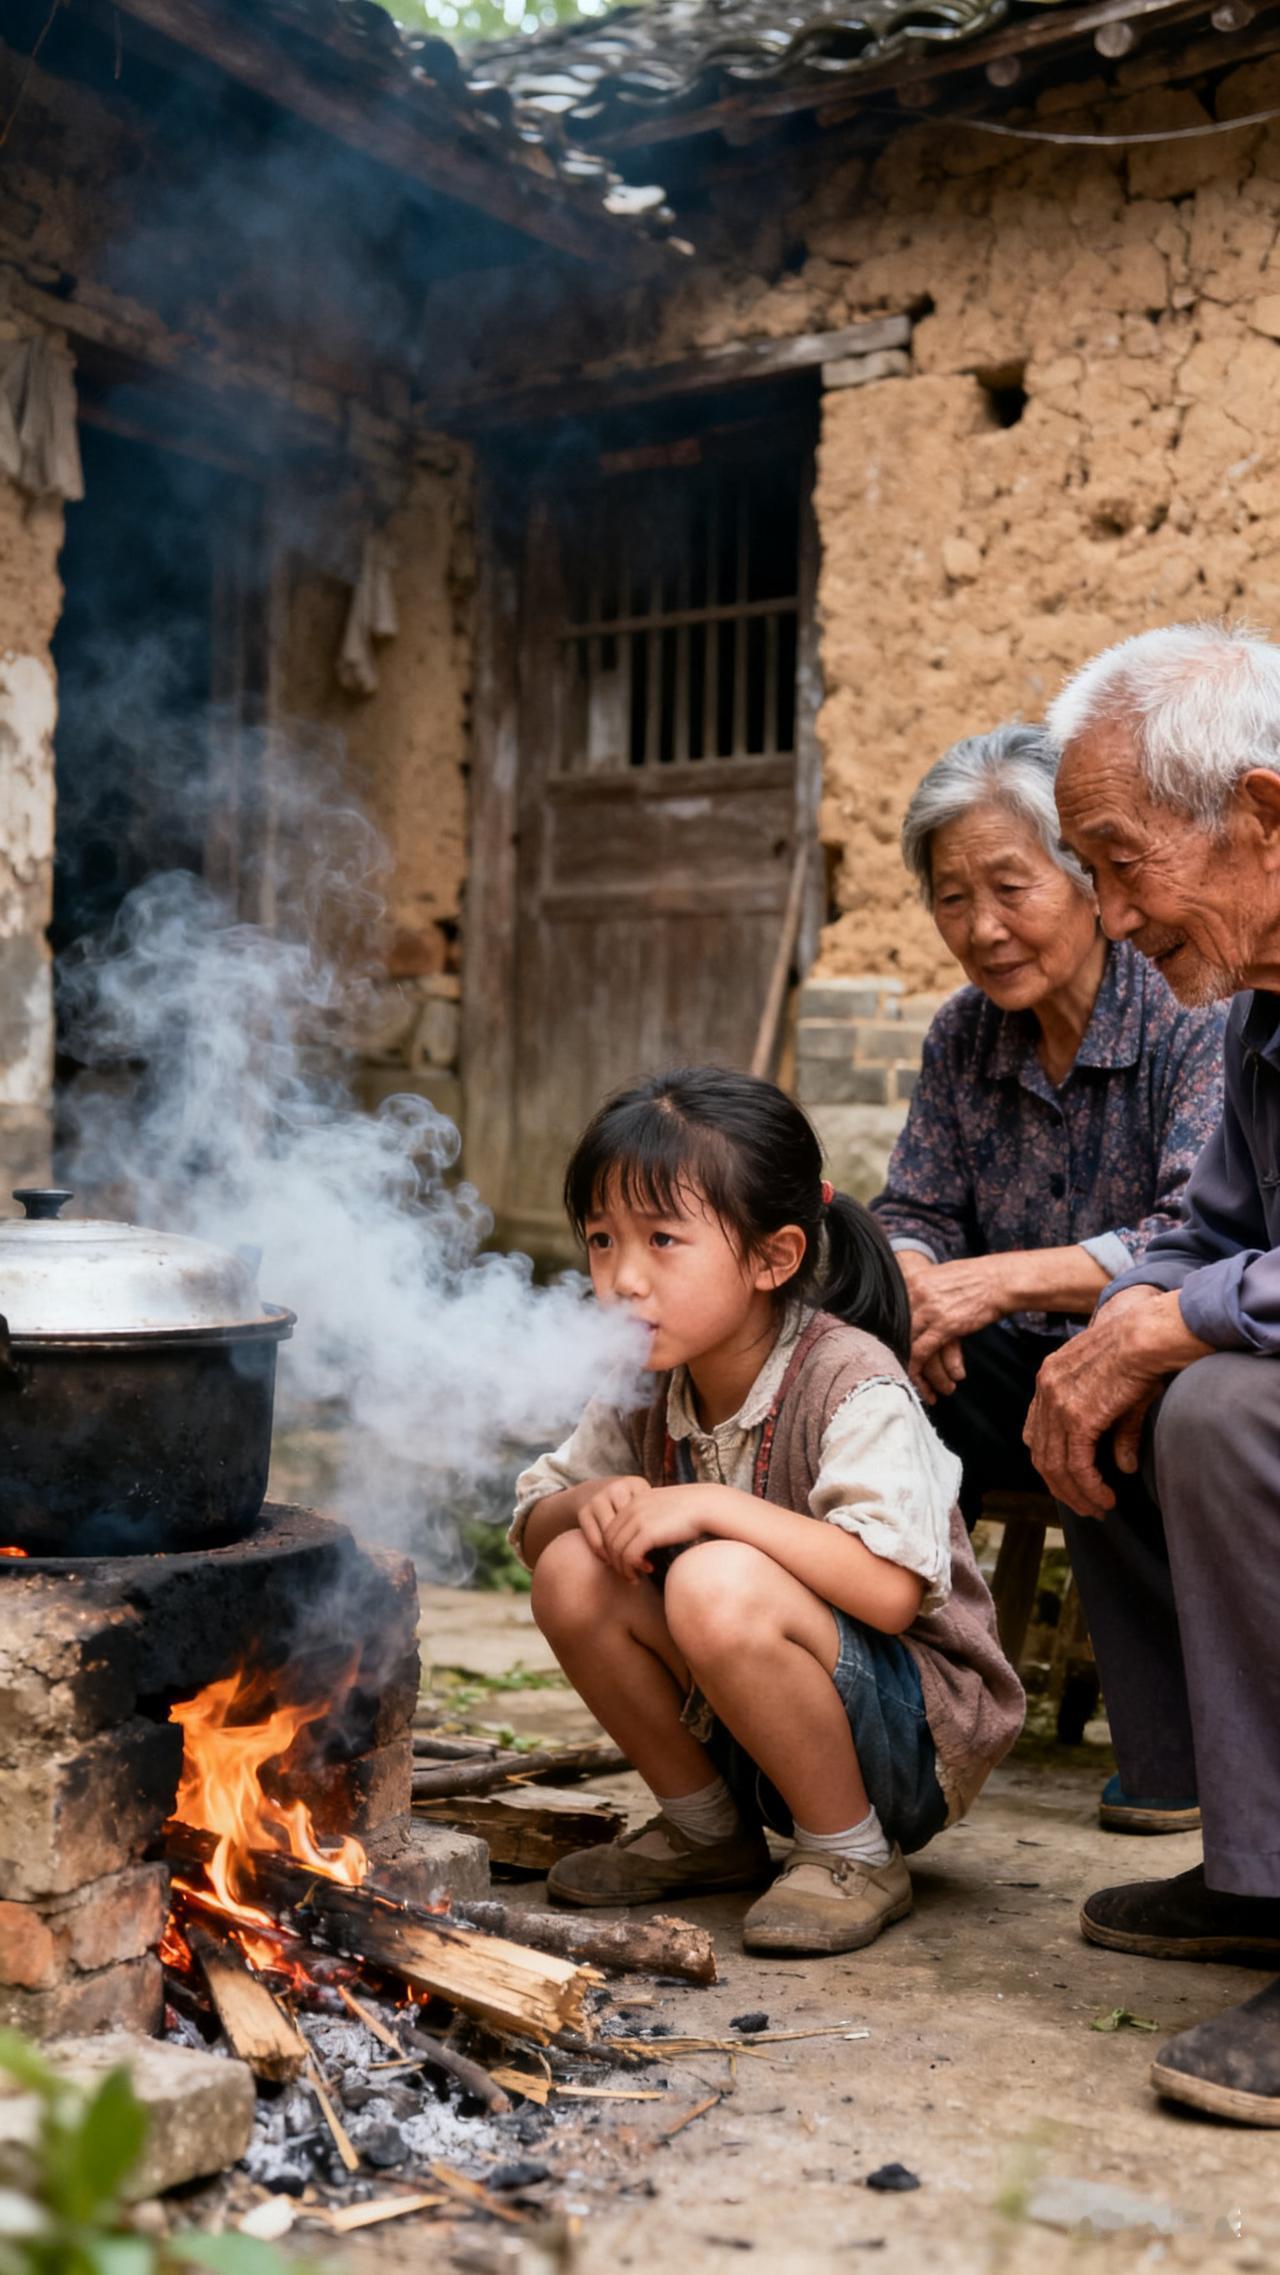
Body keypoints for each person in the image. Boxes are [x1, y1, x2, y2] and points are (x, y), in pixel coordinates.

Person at [509, 1067, 1023, 1959]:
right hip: (751, 1724)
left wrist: (709, 1504)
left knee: (714, 1576)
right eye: (600, 1240)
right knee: (570, 1565)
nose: (621, 1278)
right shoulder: (644, 1380)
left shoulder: (850, 1379)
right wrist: (595, 1500)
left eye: (663, 1239)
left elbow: (892, 1590)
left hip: (909, 1744)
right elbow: (532, 1528)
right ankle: (708, 1830)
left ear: (772, 1257)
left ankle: (851, 1853)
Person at [873, 723, 1225, 1833]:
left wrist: (991, 1284)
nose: (980, 927)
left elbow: (1188, 1230)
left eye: (1009, 886)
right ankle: (884, 1711)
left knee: (1109, 1370)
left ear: (1082, 878)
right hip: (998, 1354)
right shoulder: (962, 1038)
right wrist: (919, 1282)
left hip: (1164, 1338)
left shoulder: (1186, 1008)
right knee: (875, 1372)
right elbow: (912, 1208)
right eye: (949, 898)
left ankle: (1175, 1750)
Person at [1024, 621, 1280, 2127]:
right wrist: (1125, 1316)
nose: (1108, 917)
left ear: (1261, 810)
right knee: (1113, 1378)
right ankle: (1259, 1869)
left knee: (1233, 1402)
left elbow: (1223, 1286)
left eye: (1121, 863)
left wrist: (1188, 1316)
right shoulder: (1258, 1013)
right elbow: (1213, 1231)